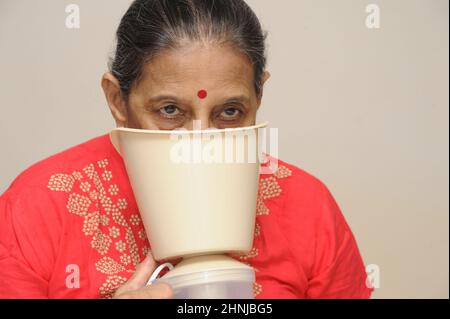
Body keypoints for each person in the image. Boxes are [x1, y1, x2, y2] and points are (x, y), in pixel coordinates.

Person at [0, 0, 373, 299]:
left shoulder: (307, 206)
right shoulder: (36, 207)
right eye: (170, 111)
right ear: (117, 100)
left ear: (259, 95)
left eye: (229, 112)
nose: (201, 143)